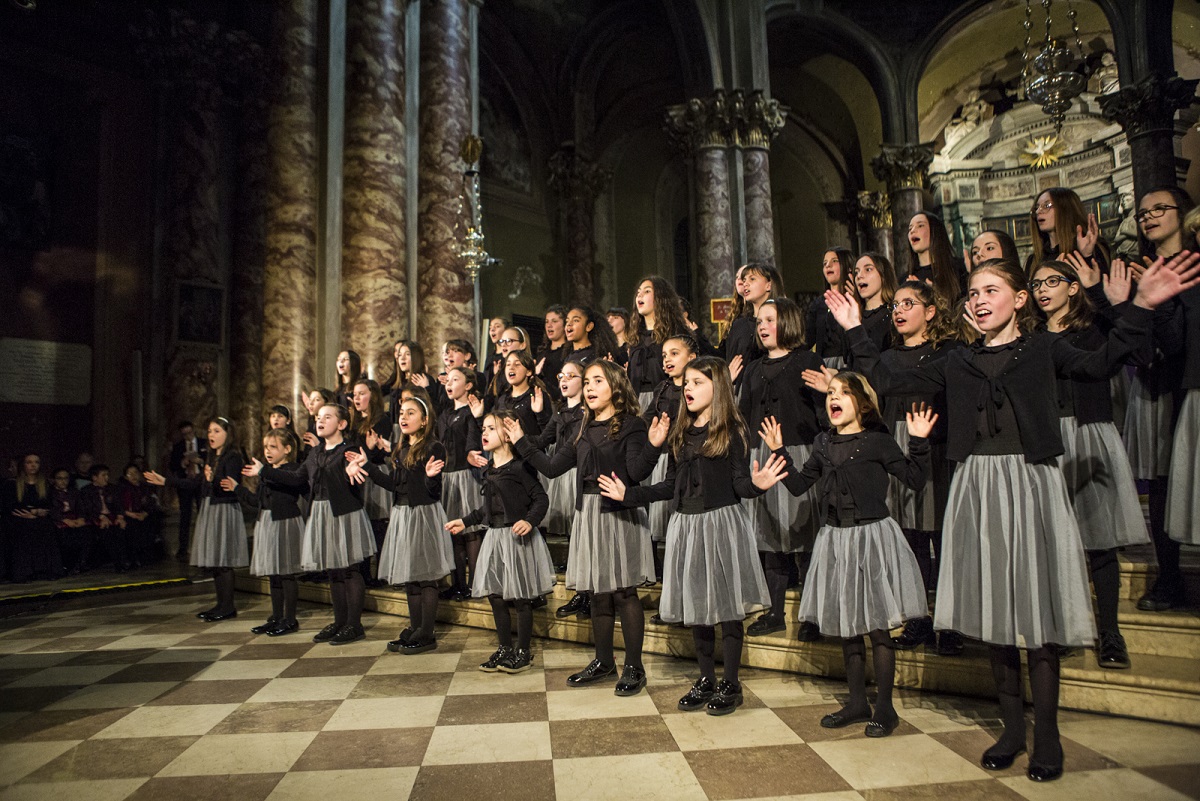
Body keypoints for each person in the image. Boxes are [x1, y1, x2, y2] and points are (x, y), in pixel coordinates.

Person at [824, 252, 1199, 781]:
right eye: (973, 294)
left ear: (1019, 300)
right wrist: (856, 331)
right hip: (976, 485)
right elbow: (884, 376)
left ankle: (1047, 737)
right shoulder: (957, 359)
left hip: (1029, 483)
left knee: (1036, 617)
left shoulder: (1042, 347)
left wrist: (1137, 306)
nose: (978, 301)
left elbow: (1101, 362)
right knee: (995, 616)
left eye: (990, 291)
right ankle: (1012, 730)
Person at [602, 356, 781, 715]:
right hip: (686, 525)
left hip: (721, 524)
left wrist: (759, 486)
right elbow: (670, 486)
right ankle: (705, 679)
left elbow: (740, 484)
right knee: (697, 607)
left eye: (698, 382)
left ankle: (730, 681)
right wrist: (629, 495)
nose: (688, 388)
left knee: (727, 608)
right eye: (687, 382)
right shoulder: (681, 433)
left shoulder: (731, 429)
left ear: (719, 388)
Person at [767, 374, 934, 736]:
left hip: (871, 538)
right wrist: (779, 452)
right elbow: (798, 486)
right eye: (830, 393)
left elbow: (916, 479)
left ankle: (885, 709)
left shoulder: (878, 441)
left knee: (877, 629)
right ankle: (858, 702)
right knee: (848, 629)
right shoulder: (823, 443)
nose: (834, 398)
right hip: (835, 540)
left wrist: (919, 442)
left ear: (862, 402)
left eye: (843, 392)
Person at [508, 360, 657, 696]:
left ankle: (635, 667)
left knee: (624, 592)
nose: (589, 388)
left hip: (619, 511)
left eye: (597, 381)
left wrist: (654, 445)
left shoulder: (632, 425)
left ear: (616, 386)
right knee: (597, 591)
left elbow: (637, 472)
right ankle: (604, 661)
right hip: (588, 512)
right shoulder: (582, 428)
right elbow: (550, 467)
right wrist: (521, 440)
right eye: (586, 382)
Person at [1033, 258, 1149, 669]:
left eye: (1052, 281)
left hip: (1088, 433)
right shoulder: (1030, 338)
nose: (1042, 289)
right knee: (1055, 543)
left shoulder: (1093, 328)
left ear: (1073, 287)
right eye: (1036, 283)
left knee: (1099, 543)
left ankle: (1110, 633)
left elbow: (1134, 350)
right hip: (1047, 441)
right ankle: (1065, 626)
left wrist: (1111, 301)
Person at [247, 403, 376, 645]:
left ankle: (354, 624)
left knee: (349, 569)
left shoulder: (348, 449)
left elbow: (356, 477)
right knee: (333, 570)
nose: (320, 420)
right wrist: (266, 471)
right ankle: (340, 621)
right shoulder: (315, 453)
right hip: (320, 512)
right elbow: (296, 478)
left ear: (341, 424)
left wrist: (353, 469)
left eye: (327, 417)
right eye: (318, 417)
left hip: (343, 513)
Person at [737, 298, 825, 641]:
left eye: (769, 319)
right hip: (762, 456)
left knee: (804, 535)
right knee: (769, 536)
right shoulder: (754, 367)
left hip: (798, 452)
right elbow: (744, 417)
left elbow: (821, 410)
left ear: (786, 322)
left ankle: (811, 614)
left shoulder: (806, 360)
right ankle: (775, 611)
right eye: (759, 320)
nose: (761, 325)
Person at [449, 410, 553, 674]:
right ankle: (505, 647)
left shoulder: (520, 467)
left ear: (507, 435)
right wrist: (465, 521)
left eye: (491, 429)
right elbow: (487, 510)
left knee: (521, 597)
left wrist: (529, 520)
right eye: (483, 429)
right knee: (496, 596)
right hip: (494, 537)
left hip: (517, 539)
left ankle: (524, 651)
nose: (484, 433)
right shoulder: (488, 470)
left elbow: (541, 499)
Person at [349, 396, 451, 653]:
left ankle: (427, 633)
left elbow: (434, 491)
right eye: (402, 413)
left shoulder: (433, 447)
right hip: (402, 514)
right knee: (410, 577)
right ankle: (415, 627)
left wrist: (429, 478)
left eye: (411, 413)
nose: (403, 418)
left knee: (426, 577)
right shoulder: (400, 449)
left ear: (425, 420)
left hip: (423, 514)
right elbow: (394, 484)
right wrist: (369, 467)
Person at [147, 418, 248, 620]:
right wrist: (167, 480)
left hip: (225, 510)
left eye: (217, 431)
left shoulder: (233, 457)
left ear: (227, 434)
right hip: (211, 509)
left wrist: (214, 479)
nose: (211, 435)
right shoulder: (212, 457)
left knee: (224, 560)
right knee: (215, 562)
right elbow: (195, 484)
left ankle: (228, 607)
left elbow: (230, 485)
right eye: (210, 431)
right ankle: (220, 604)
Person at [224, 428, 306, 637]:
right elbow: (257, 502)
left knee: (286, 573)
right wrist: (237, 488)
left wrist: (263, 471)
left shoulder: (293, 469)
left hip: (285, 522)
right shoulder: (267, 472)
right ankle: (276, 617)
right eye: (266, 447)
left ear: (287, 449)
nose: (268, 451)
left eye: (273, 447)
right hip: (267, 523)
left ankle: (290, 619)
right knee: (274, 574)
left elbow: (293, 481)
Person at [438, 366, 485, 601]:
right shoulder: (445, 413)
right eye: (448, 379)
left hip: (466, 475)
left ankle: (474, 584)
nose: (450, 382)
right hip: (447, 476)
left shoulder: (471, 412)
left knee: (470, 532)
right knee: (453, 533)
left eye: (456, 379)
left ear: (468, 385)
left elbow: (475, 441)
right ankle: (457, 584)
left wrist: (470, 453)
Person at [628, 277, 690, 410]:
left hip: (668, 400)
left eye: (647, 291)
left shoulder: (676, 333)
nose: (639, 295)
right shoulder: (635, 338)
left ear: (660, 298)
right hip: (636, 402)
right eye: (638, 292)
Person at [723, 263, 784, 389]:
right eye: (744, 280)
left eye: (752, 279)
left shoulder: (783, 319)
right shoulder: (739, 324)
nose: (745, 283)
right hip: (741, 391)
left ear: (769, 285)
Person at [4, 453, 58, 582]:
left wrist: (38, 512)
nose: (33, 465)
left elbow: (49, 504)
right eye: (29, 462)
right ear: (23, 465)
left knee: (46, 527)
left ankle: (44, 570)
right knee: (24, 529)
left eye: (36, 462)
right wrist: (31, 511)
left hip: (39, 517)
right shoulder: (12, 484)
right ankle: (24, 572)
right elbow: (11, 505)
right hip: (19, 518)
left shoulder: (44, 483)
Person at [906, 211, 968, 303]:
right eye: (910, 228)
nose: (912, 231)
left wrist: (935, 295)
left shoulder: (958, 269)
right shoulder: (906, 278)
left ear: (935, 231)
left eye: (920, 225)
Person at [169, 421, 206, 560]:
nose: (188, 437)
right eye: (185, 435)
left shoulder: (203, 443)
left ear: (194, 430)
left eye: (189, 433)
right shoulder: (178, 447)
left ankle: (204, 545)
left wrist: (200, 461)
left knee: (203, 513)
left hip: (201, 482)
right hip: (185, 483)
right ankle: (183, 548)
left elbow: (211, 461)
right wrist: (182, 463)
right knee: (185, 515)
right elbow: (172, 466)